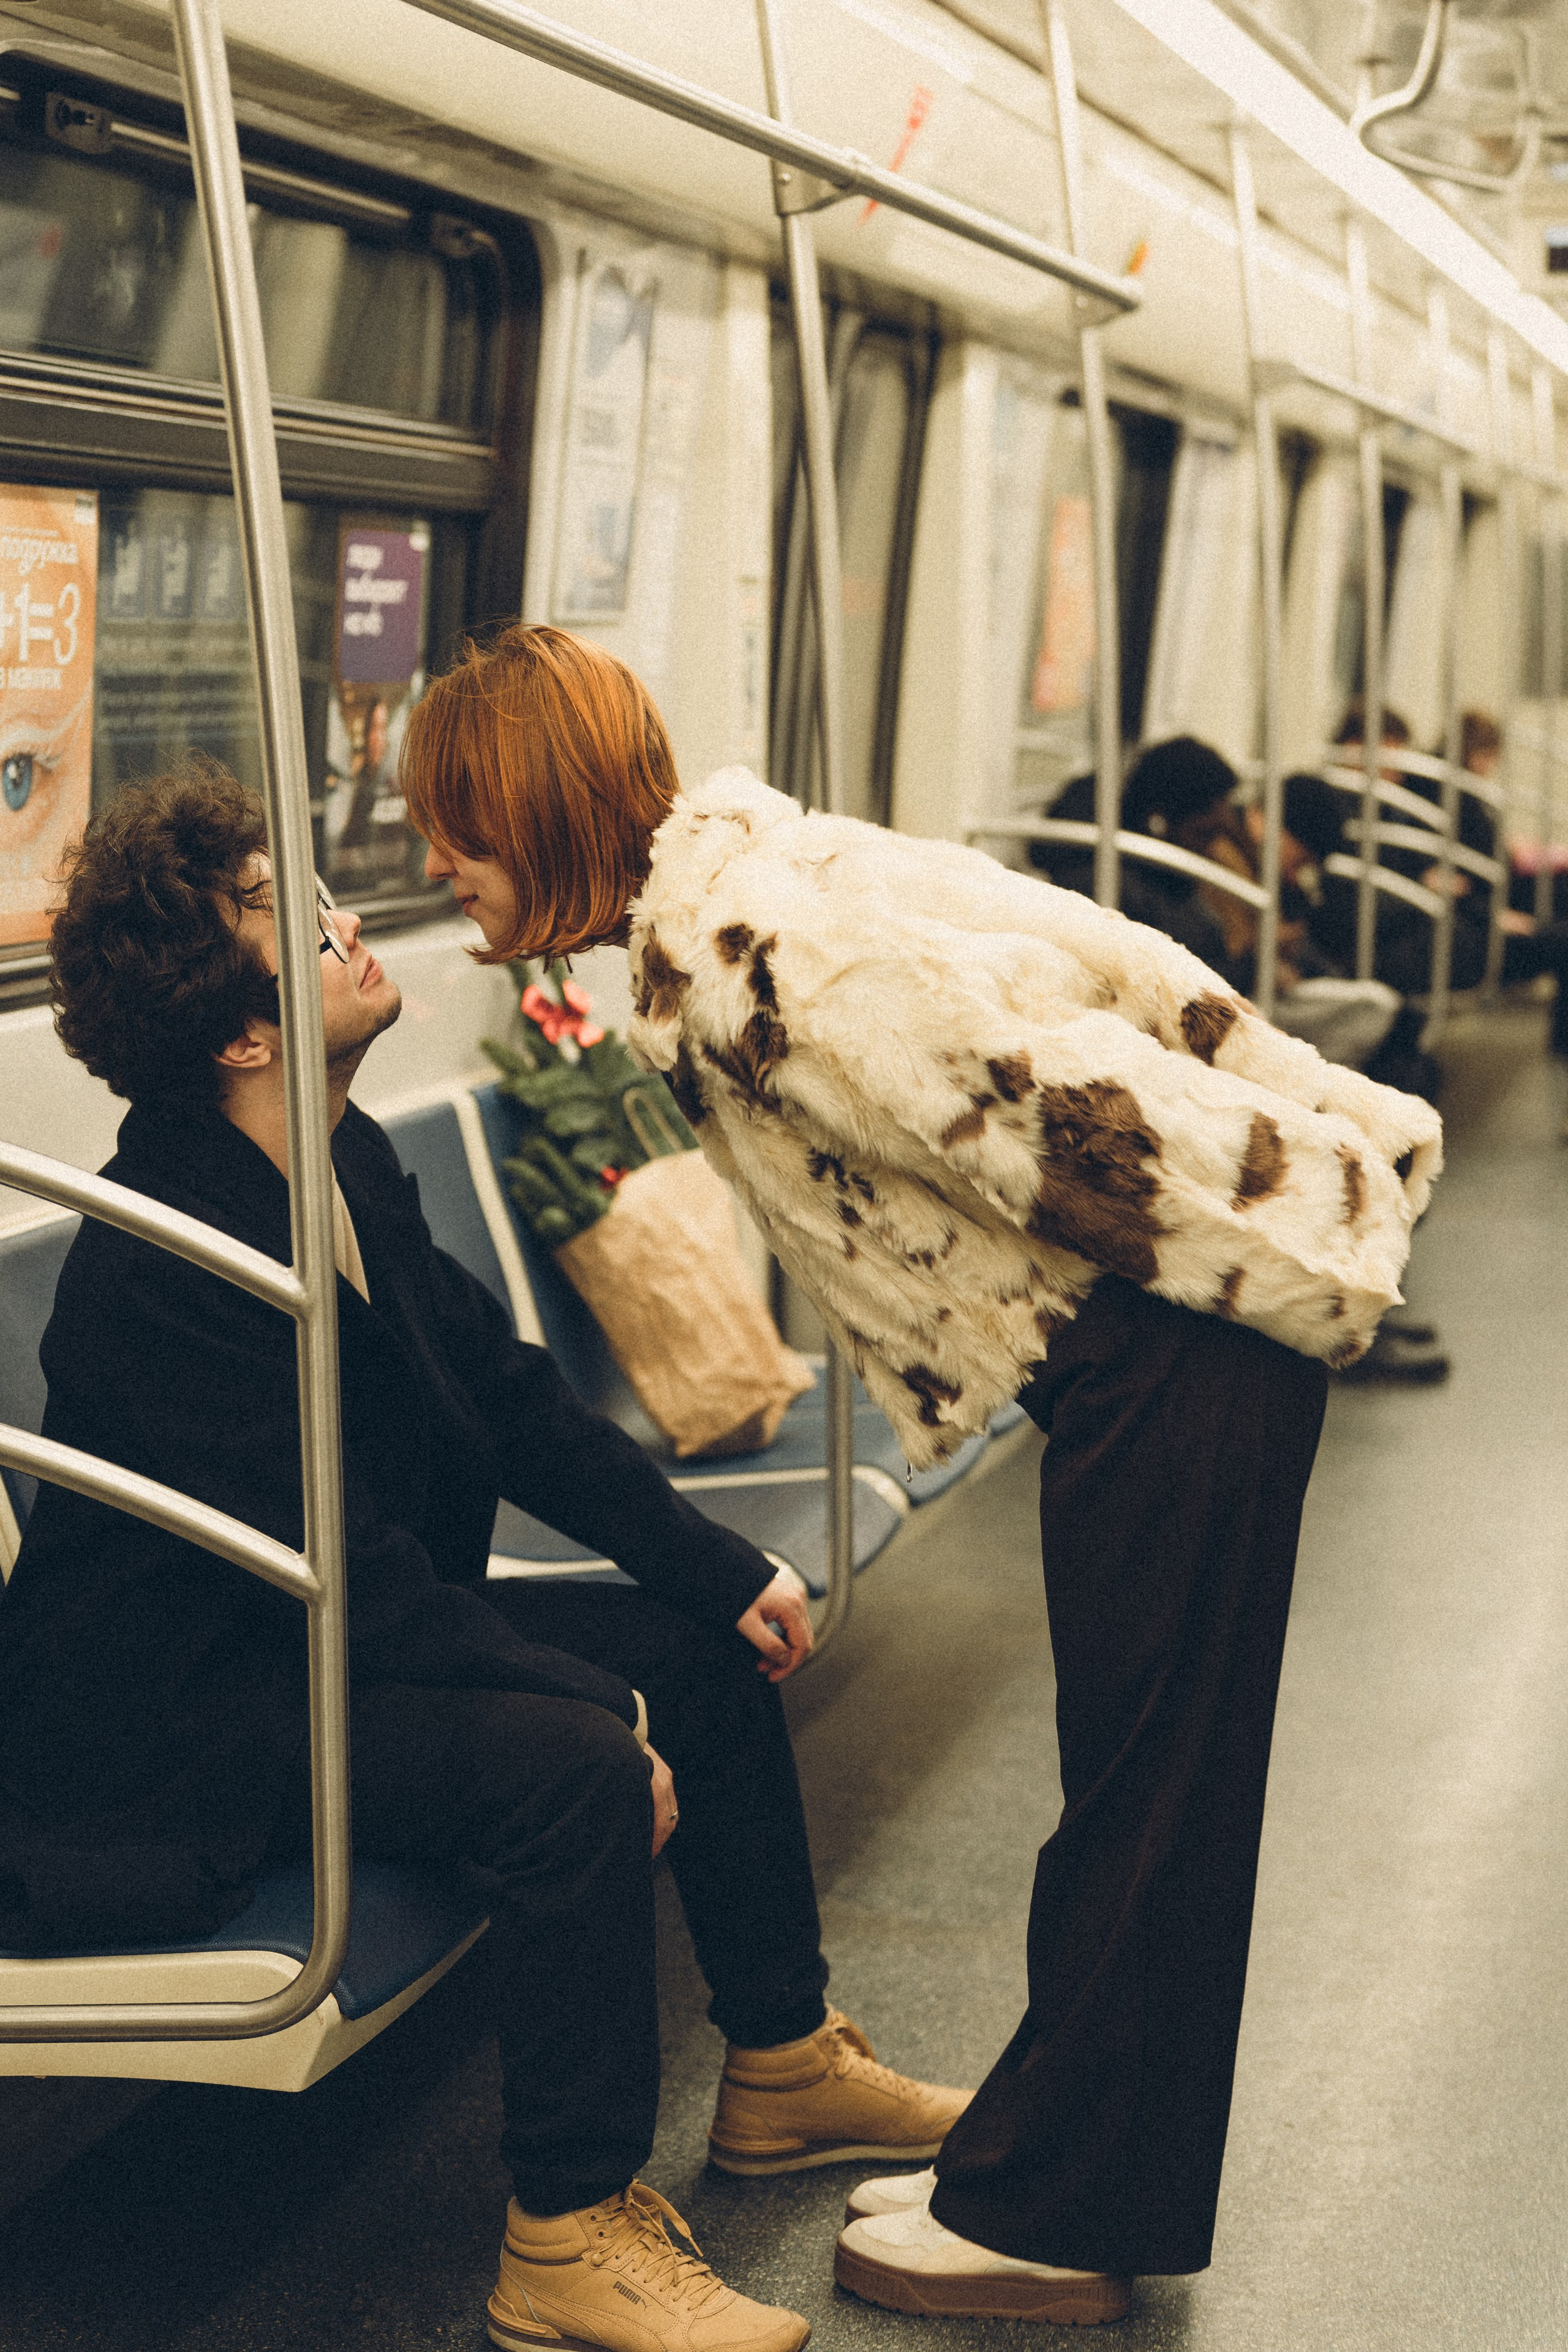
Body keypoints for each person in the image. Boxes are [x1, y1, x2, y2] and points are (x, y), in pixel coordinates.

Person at [404, 625, 1442, 2326]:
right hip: (1165, 1358)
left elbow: (1057, 1107)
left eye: (451, 825)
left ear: (535, 806)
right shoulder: (763, 885)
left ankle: (1055, 2217)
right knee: (1145, 1797)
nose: (435, 866)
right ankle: (1040, 2159)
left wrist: (1292, 1240)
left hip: (1166, 1352)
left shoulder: (755, 964)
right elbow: (1093, 963)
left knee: (1147, 1812)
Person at [0, 760, 973, 2352]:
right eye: (290, 919)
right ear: (241, 1033)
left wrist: (712, 1567)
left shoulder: (341, 1165)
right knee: (570, 1771)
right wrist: (588, 1711)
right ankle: (565, 2235)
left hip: (318, 1647)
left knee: (705, 1655)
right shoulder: (163, 1262)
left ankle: (785, 2068)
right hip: (178, 1722)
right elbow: (347, 1574)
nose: (348, 922)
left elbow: (504, 1402)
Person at [1030, 740, 1402, 1074]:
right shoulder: (1112, 881)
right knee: (1373, 1015)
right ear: (1159, 823)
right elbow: (1176, 974)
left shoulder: (1170, 872)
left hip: (1231, 995)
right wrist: (1259, 963)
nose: (1211, 849)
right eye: (1204, 834)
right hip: (1196, 1021)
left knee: (1375, 1012)